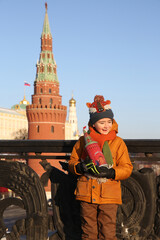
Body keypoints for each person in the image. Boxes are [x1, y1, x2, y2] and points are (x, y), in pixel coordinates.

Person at [68, 95, 133, 240]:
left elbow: (127, 168)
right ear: (93, 123)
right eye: (102, 122)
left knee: (108, 232)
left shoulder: (118, 142)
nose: (106, 126)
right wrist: (80, 167)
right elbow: (72, 162)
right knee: (88, 232)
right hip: (86, 193)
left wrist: (111, 172)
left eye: (109, 121)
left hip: (109, 195)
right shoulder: (83, 140)